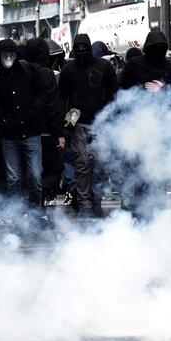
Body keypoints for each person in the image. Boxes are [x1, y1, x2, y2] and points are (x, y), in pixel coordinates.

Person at [0, 39, 64, 230]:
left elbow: (44, 93)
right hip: (10, 135)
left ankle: (35, 213)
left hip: (31, 131)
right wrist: (3, 120)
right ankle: (16, 212)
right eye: (4, 55)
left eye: (11, 55)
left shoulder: (28, 71)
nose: (8, 59)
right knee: (14, 177)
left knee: (35, 176)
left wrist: (35, 110)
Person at [59, 34, 118, 219]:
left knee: (100, 166)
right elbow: (62, 99)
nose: (82, 52)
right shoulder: (69, 70)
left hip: (101, 122)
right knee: (83, 165)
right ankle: (85, 204)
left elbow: (114, 93)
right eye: (79, 49)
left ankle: (96, 200)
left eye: (84, 48)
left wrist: (111, 118)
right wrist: (66, 125)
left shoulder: (104, 66)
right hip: (80, 124)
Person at [24, 38, 66, 208]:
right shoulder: (47, 74)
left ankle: (31, 205)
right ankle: (38, 203)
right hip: (46, 131)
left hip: (24, 131)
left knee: (31, 171)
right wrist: (59, 133)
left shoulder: (21, 71)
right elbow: (53, 106)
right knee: (54, 170)